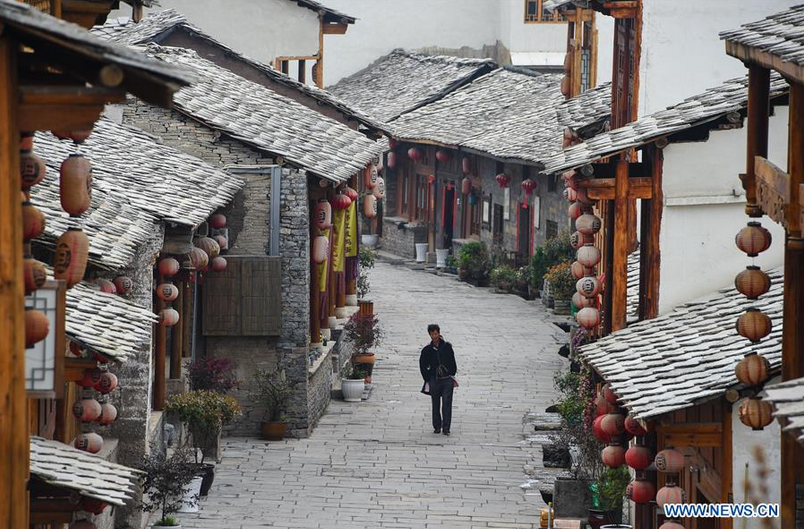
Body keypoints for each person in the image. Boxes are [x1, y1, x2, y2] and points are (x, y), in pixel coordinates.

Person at [419, 324, 457, 435]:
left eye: (436, 333)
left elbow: (452, 361)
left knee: (447, 403)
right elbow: (422, 365)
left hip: (446, 379)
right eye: (432, 334)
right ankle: (437, 426)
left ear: (439, 333)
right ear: (429, 335)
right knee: (435, 404)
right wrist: (427, 377)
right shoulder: (427, 350)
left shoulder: (447, 347)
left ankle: (446, 428)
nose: (434, 336)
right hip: (434, 380)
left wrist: (451, 373)